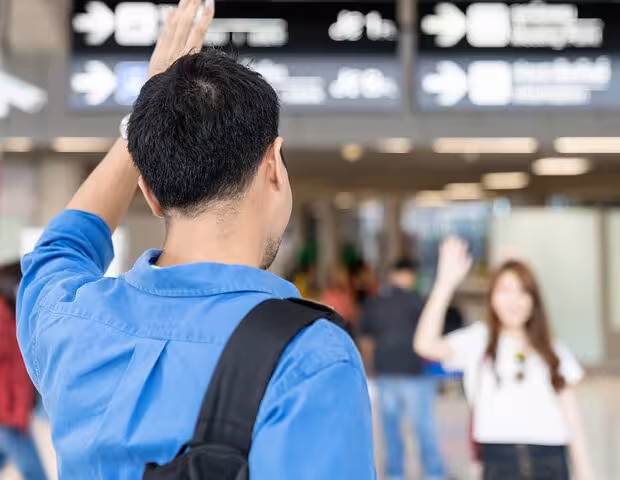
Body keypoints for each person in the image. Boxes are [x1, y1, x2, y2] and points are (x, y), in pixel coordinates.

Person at [15, 1, 375, 478]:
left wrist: (144, 126)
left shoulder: (69, 320)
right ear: (274, 166)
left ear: (148, 191)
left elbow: (61, 249)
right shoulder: (309, 356)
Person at [414, 238, 595, 480]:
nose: (513, 301)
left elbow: (571, 412)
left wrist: (585, 472)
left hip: (550, 460)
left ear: (534, 300)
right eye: (505, 290)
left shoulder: (550, 348)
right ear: (492, 297)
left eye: (522, 291)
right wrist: (444, 285)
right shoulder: (478, 340)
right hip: (499, 461)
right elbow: (425, 344)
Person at [360, 259, 446, 480]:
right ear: (407, 275)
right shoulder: (415, 300)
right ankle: (434, 473)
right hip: (413, 372)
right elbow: (432, 333)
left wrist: (369, 368)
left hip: (386, 371)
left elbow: (366, 341)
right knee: (423, 427)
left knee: (390, 430)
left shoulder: (374, 301)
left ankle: (395, 474)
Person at [0, 263, 46, 480]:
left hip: (13, 410)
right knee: (35, 474)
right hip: (6, 413)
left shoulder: (14, 315)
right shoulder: (3, 319)